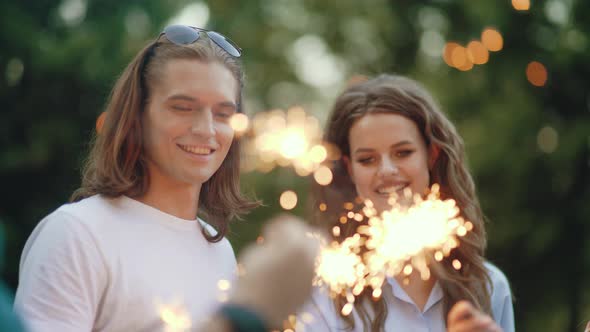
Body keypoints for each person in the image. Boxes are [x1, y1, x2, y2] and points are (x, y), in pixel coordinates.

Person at [14, 24, 261, 331]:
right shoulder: (76, 235)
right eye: (183, 108)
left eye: (223, 113)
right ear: (137, 118)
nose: (206, 129)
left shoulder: (220, 251)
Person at [301, 74, 514, 331]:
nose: (387, 170)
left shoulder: (489, 287)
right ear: (350, 169)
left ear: (431, 155)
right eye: (367, 159)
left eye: (403, 153)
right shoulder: (324, 293)